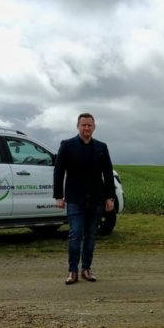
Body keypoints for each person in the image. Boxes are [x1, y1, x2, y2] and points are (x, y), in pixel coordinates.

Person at [53, 113, 116, 285]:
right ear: (78, 126)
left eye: (89, 125)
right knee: (75, 234)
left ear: (94, 127)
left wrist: (110, 197)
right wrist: (59, 196)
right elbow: (58, 172)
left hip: (96, 198)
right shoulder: (67, 146)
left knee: (90, 235)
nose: (86, 128)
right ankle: (72, 271)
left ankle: (86, 269)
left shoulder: (102, 147)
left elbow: (108, 174)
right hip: (75, 199)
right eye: (83, 125)